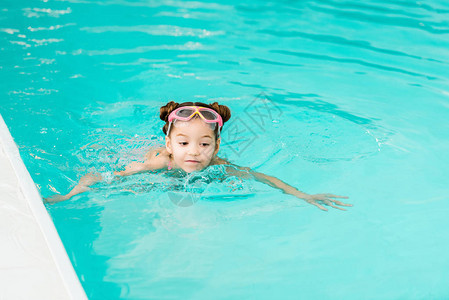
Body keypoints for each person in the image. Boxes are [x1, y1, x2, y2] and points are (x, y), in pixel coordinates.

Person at [45, 101, 351, 211]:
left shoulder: (219, 164)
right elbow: (102, 176)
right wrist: (71, 195)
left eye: (204, 144)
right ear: (169, 144)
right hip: (150, 161)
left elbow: (263, 178)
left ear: (216, 147)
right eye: (183, 143)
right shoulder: (158, 161)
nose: (194, 152)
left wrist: (303, 195)